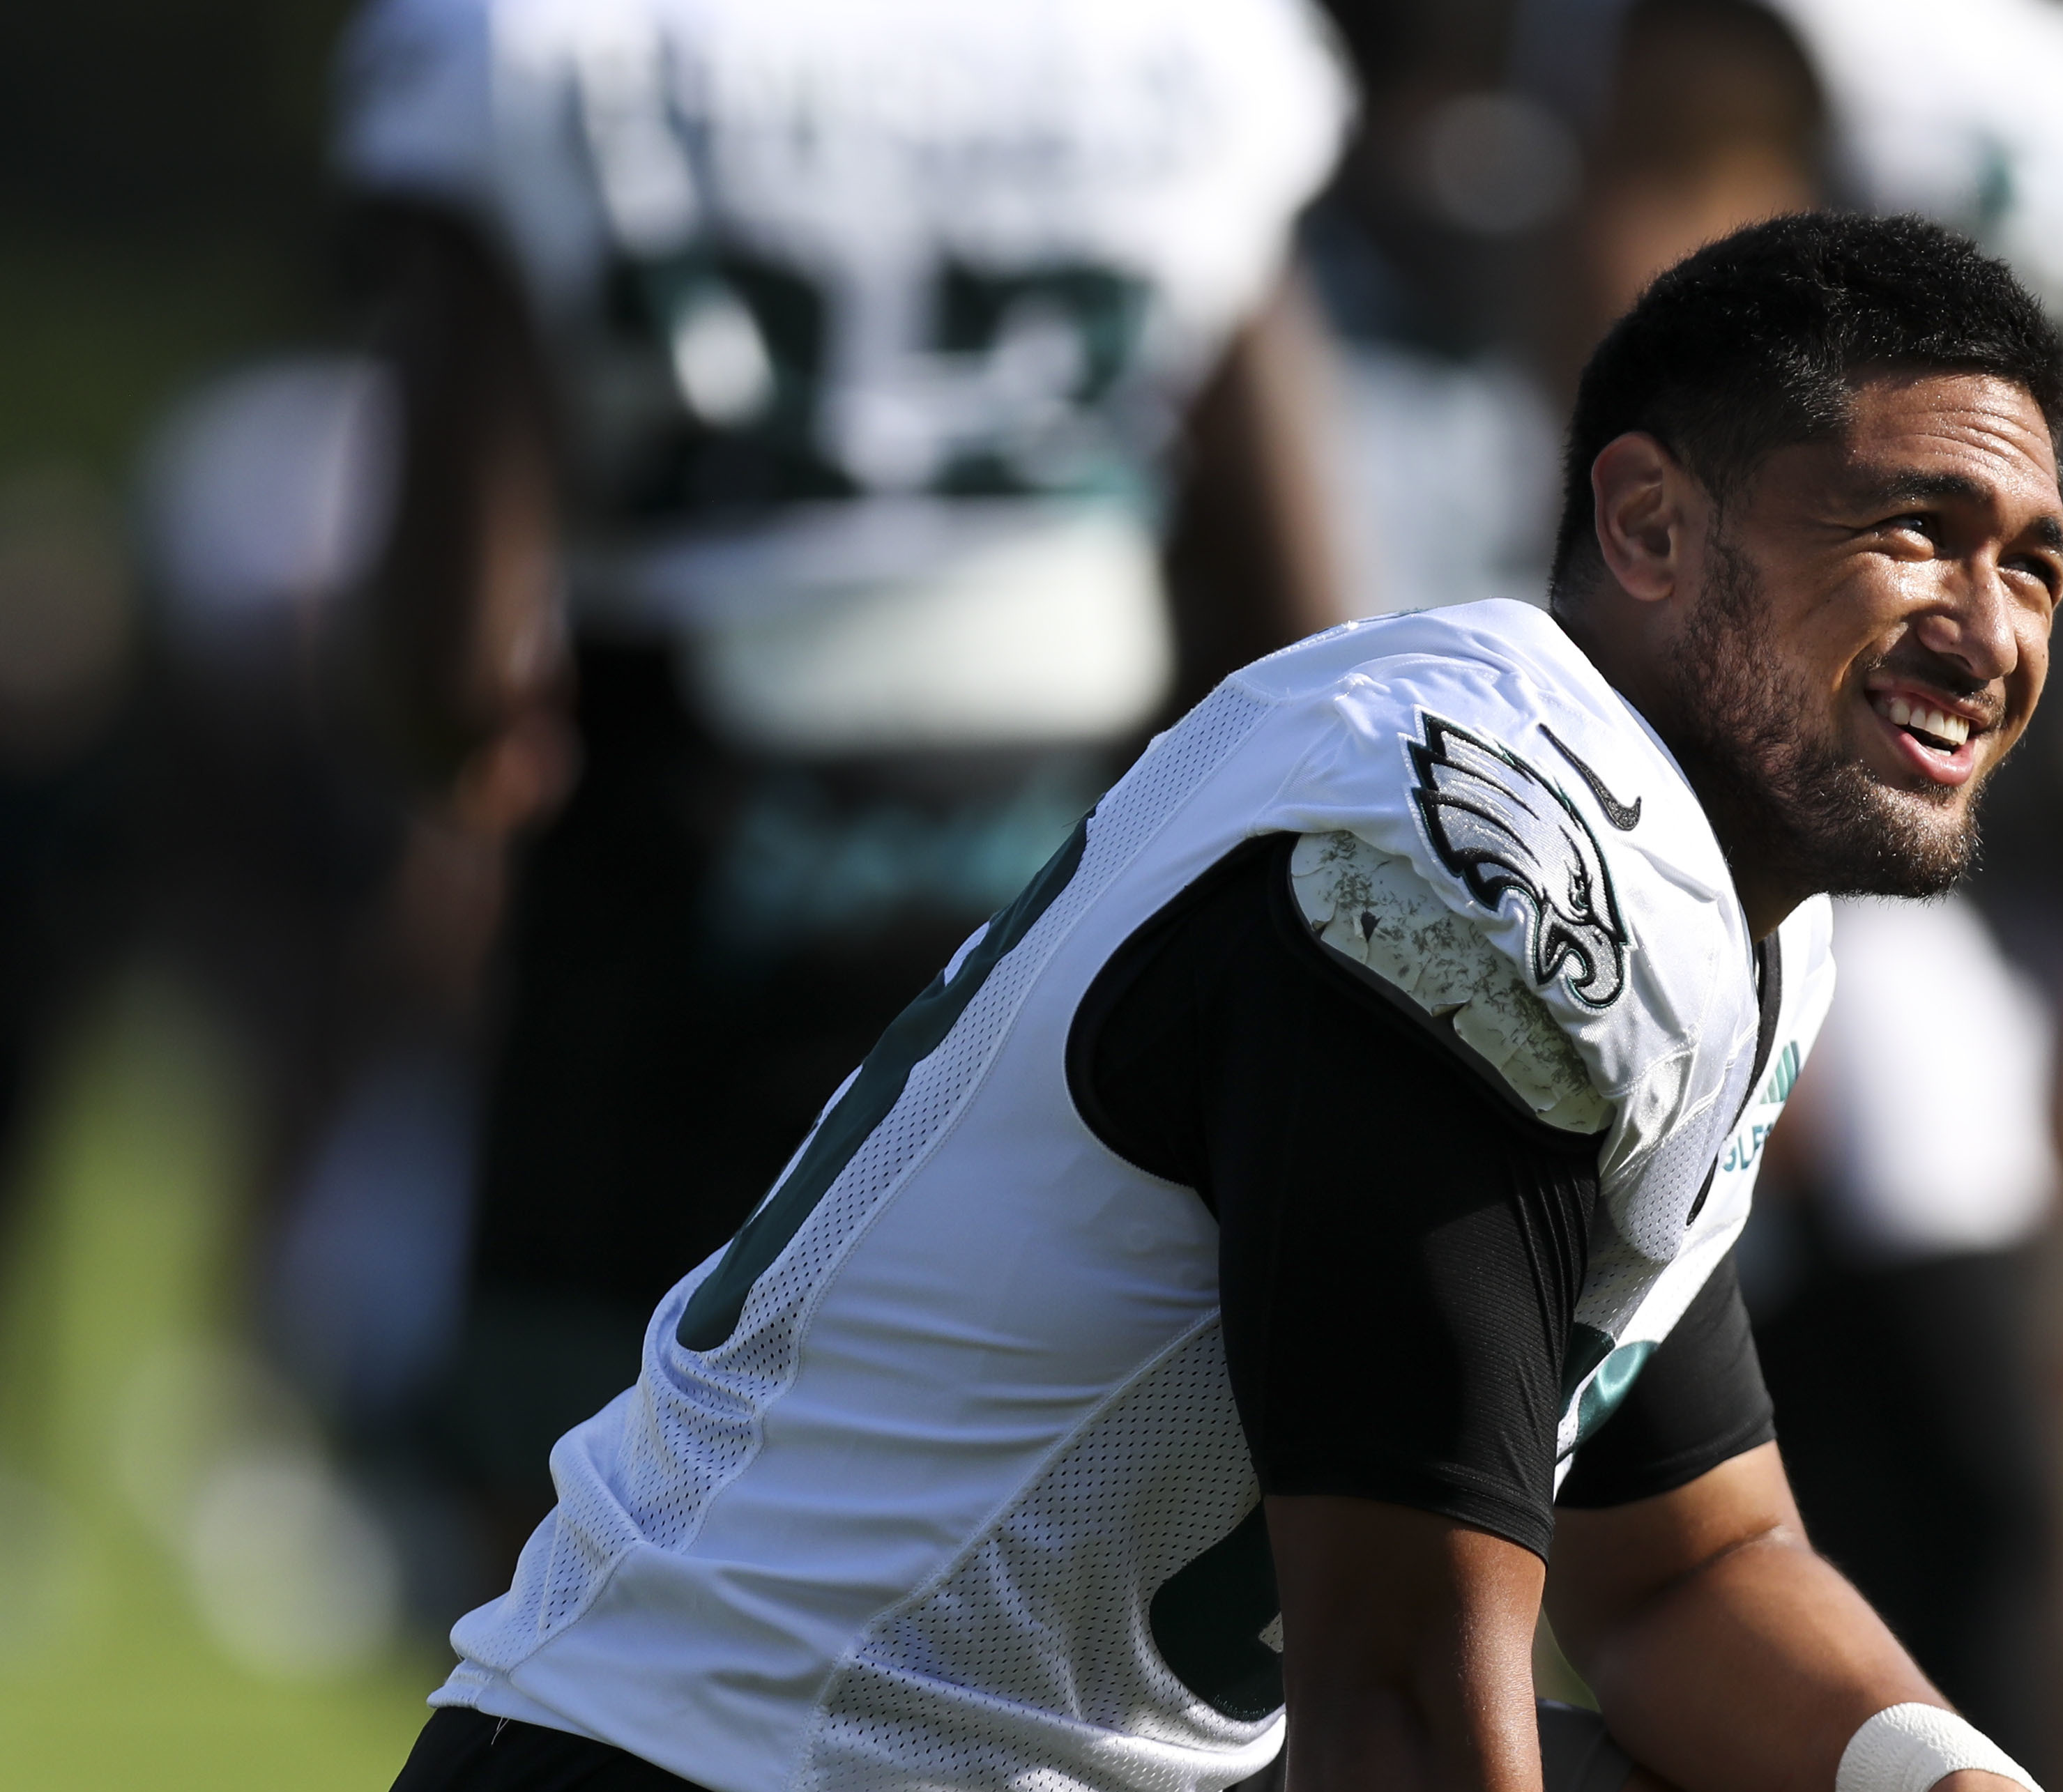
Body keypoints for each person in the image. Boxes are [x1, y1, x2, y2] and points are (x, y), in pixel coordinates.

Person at [383, 212, 2063, 1792]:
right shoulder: (1486, 861)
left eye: (2036, 567)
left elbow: (1691, 1571)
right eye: (1911, 529)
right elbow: (1397, 1708)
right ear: (1646, 523)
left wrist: (1947, 1778)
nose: (1986, 630)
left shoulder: (1709, 903)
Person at [327, 0, 1356, 1554]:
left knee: (579, 1523)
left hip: (679, 858)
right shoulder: (1185, 44)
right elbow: (1296, 610)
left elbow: (452, 668)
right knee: (1021, 1519)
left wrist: (453, 739)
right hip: (1075, 842)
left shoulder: (537, 44)